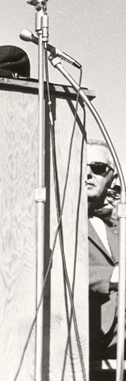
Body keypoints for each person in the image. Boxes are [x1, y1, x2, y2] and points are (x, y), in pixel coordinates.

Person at [87, 139, 121, 366]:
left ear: (112, 177)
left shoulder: (119, 226)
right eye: (81, 166)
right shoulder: (55, 222)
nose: (87, 174)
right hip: (88, 336)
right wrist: (113, 276)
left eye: (97, 167)